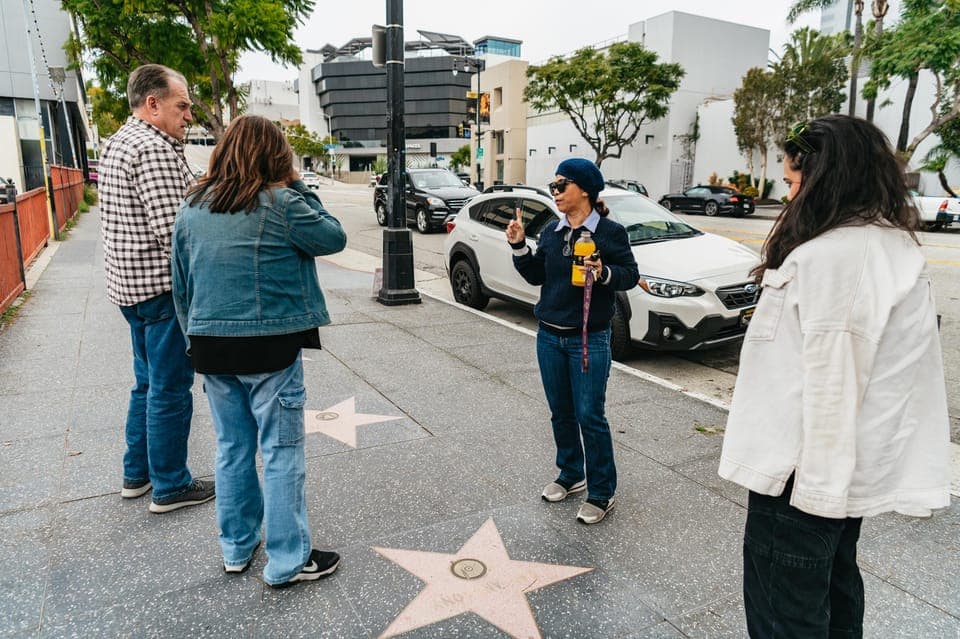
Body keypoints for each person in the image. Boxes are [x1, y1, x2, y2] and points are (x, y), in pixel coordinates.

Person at [718, 115, 951, 637]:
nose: (787, 194)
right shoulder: (887, 247)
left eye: (793, 181)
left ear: (824, 178)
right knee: (835, 596)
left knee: (786, 617)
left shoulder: (836, 260)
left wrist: (818, 499)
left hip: (801, 481)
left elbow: (832, 386)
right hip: (830, 478)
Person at [171, 115, 347, 588]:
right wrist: (298, 183)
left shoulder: (191, 208)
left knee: (232, 449)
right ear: (275, 156)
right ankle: (288, 561)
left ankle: (236, 547)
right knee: (281, 451)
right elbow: (334, 237)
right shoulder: (283, 202)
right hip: (271, 348)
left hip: (211, 347)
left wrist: (194, 341)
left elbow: (181, 287)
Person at [99, 63, 215, 513]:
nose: (188, 115)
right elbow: (176, 233)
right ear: (153, 104)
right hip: (161, 292)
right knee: (169, 388)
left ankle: (137, 474)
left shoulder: (119, 141)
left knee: (146, 385)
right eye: (181, 105)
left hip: (129, 287)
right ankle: (170, 485)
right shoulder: (153, 149)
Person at [505, 158, 639, 525]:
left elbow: (630, 274)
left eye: (561, 185)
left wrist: (604, 271)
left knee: (590, 416)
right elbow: (535, 276)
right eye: (554, 186)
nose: (555, 192)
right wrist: (519, 247)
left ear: (584, 188)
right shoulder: (551, 231)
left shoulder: (610, 233)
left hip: (589, 339)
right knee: (561, 412)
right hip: (549, 336)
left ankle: (602, 491)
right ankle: (571, 474)